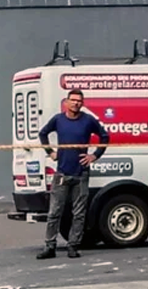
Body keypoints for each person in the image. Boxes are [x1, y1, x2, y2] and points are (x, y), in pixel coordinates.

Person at [36, 89, 110, 259]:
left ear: (82, 104)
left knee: (79, 213)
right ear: (67, 102)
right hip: (62, 173)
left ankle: (73, 246)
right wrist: (51, 152)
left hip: (81, 173)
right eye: (73, 100)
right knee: (55, 212)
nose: (76, 103)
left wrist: (94, 155)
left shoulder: (88, 121)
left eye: (79, 101)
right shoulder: (58, 119)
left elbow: (104, 137)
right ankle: (50, 246)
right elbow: (43, 133)